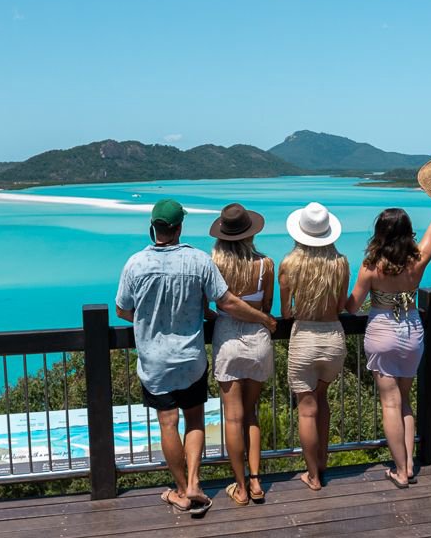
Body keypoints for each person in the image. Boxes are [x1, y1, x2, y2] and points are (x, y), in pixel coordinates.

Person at [115, 198, 276, 515]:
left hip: (154, 360)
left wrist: (149, 320)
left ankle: (180, 491)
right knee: (195, 420)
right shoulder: (198, 260)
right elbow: (226, 302)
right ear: (179, 228)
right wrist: (264, 319)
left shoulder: (135, 264)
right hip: (191, 357)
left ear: (153, 227)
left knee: (167, 423)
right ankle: (194, 483)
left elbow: (123, 309)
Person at [345, 156, 431, 488]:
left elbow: (352, 305)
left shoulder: (370, 266)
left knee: (389, 403)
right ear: (406, 233)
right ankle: (407, 468)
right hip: (412, 333)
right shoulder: (417, 260)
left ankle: (400, 470)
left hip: (382, 333)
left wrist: (334, 299)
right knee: (404, 401)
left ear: (379, 234)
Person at [279, 202, 349, 491]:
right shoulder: (341, 263)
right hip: (333, 337)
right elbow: (343, 305)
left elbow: (285, 312)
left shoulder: (289, 264)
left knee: (306, 409)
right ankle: (323, 463)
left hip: (304, 337)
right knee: (323, 400)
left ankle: (313, 475)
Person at [209, 203, 275, 506]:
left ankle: (240, 486)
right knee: (251, 413)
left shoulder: (213, 265)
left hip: (227, 339)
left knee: (232, 418)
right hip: (258, 340)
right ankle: (256, 481)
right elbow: (266, 308)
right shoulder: (266, 265)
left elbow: (207, 305)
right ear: (250, 233)